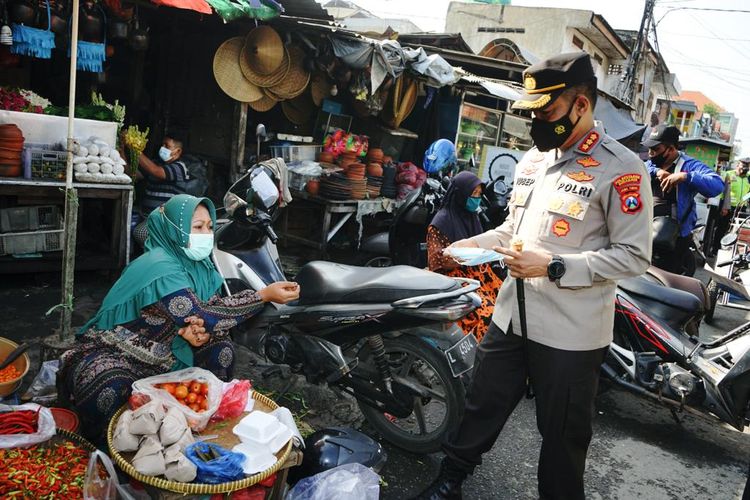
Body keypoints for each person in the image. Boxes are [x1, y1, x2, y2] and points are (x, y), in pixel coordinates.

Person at [413, 52, 653, 500]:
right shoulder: (533, 162)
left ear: (581, 106)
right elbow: (513, 230)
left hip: (571, 333)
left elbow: (633, 256)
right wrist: (469, 244)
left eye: (547, 111)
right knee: (480, 404)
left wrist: (556, 265)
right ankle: (450, 481)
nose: (537, 123)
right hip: (512, 316)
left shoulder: (622, 168)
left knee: (562, 435)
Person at [58, 194, 299, 438]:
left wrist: (198, 332)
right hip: (119, 354)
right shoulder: (159, 265)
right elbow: (201, 313)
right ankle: (108, 449)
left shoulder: (202, 267)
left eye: (209, 227)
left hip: (168, 353)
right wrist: (263, 296)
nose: (206, 234)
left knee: (221, 348)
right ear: (175, 229)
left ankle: (201, 422)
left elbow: (209, 309)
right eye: (197, 227)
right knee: (109, 384)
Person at [426, 171, 502, 341]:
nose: (477, 198)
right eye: (473, 194)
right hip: (454, 278)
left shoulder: (473, 217)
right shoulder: (441, 222)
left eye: (479, 194)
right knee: (486, 314)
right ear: (460, 194)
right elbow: (436, 261)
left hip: (478, 273)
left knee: (505, 300)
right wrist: (463, 255)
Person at [643, 124, 723, 273]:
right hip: (643, 233)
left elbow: (717, 185)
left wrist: (685, 176)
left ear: (672, 149)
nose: (651, 153)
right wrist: (657, 171)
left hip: (674, 239)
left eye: (655, 149)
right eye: (649, 149)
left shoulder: (689, 165)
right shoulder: (651, 164)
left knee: (665, 280)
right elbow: (639, 167)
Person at [133, 135, 208, 246]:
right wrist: (121, 152)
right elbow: (133, 175)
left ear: (177, 151)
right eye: (162, 145)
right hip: (148, 217)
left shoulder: (179, 167)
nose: (162, 148)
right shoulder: (156, 163)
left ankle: (161, 254)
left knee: (141, 233)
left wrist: (136, 150)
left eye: (167, 146)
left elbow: (156, 172)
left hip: (165, 220)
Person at [713, 158, 750, 254]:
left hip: (741, 208)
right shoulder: (729, 174)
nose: (745, 168)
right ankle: (715, 249)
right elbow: (726, 192)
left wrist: (745, 200)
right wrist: (725, 207)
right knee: (722, 228)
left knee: (737, 231)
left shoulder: (748, 178)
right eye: (743, 165)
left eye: (747, 166)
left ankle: (731, 252)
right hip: (728, 206)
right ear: (738, 165)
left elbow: (748, 192)